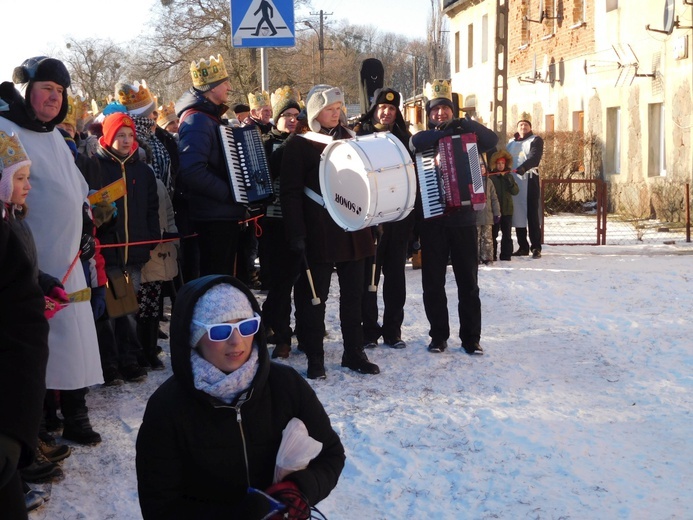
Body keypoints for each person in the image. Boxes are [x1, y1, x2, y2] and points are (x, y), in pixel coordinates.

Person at [136, 275, 345, 519]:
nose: (237, 341)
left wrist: (299, 488)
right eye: (221, 330)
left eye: (246, 326)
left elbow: (331, 454)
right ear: (193, 336)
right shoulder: (167, 408)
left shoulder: (287, 386)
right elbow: (160, 507)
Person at [0, 56, 104, 445]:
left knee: (73, 339)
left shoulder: (54, 135)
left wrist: (87, 226)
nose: (54, 97)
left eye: (60, 91)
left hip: (68, 259)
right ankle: (39, 423)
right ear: (27, 90)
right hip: (30, 258)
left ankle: (75, 414)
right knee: (35, 344)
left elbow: (76, 192)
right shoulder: (6, 127)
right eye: (47, 88)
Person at [281, 84, 379, 379]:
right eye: (329, 110)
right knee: (314, 296)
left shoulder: (351, 139)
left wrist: (374, 220)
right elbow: (290, 192)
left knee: (354, 296)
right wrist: (295, 232)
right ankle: (315, 356)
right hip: (318, 230)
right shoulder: (299, 144)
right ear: (315, 113)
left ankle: (353, 352)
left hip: (353, 230)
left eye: (338, 109)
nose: (335, 115)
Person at [411, 80, 499, 355]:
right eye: (435, 110)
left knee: (468, 283)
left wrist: (464, 123)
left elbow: (491, 140)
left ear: (453, 110)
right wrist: (442, 134)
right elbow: (416, 142)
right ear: (429, 113)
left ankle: (471, 338)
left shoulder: (466, 135)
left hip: (462, 219)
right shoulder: (424, 138)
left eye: (445, 109)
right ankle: (438, 336)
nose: (440, 114)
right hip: (433, 219)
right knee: (433, 283)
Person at [0, 128, 50, 519]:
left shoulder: (10, 226)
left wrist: (15, 430)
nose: (27, 187)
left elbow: (22, 334)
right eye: (19, 178)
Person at [93, 112, 159, 385]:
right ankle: (109, 363)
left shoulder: (142, 170)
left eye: (130, 135)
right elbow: (93, 210)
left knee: (129, 310)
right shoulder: (97, 167)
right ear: (108, 137)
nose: (125, 140)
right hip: (108, 253)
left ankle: (129, 360)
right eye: (120, 135)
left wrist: (151, 237)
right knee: (110, 312)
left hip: (135, 253)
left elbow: (151, 208)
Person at [175, 55, 246, 277]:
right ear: (212, 88)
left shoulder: (207, 117)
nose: (229, 87)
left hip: (219, 212)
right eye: (224, 83)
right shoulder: (197, 120)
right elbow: (192, 170)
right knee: (215, 278)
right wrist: (231, 192)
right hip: (213, 215)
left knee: (221, 277)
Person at [354, 87, 414, 349]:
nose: (387, 112)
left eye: (392, 108)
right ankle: (369, 329)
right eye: (382, 107)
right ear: (374, 108)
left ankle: (393, 330)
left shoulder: (405, 138)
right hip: (369, 220)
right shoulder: (360, 134)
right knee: (369, 279)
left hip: (398, 220)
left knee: (395, 278)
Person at [260, 86, 302, 359]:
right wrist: (289, 143)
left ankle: (295, 330)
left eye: (296, 114)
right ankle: (281, 336)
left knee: (298, 281)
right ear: (276, 118)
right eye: (285, 114)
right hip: (272, 225)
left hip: (301, 224)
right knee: (279, 284)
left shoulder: (307, 141)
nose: (291, 119)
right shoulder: (265, 143)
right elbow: (267, 172)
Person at [508, 117, 544, 258]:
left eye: (526, 125)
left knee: (532, 214)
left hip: (529, 179)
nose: (523, 127)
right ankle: (523, 246)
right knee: (518, 214)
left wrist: (524, 167)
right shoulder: (511, 143)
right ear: (517, 128)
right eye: (521, 125)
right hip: (514, 182)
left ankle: (536, 247)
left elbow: (535, 157)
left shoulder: (535, 140)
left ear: (530, 128)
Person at [489, 149, 519, 261]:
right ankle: (492, 255)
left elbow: (515, 191)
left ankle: (506, 255)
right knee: (493, 234)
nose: (501, 166)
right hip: (495, 211)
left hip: (507, 210)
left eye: (502, 163)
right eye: (499, 163)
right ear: (495, 164)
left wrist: (510, 182)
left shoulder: (509, 176)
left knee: (507, 234)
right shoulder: (491, 178)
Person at [476, 156, 500, 265]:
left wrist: (497, 212)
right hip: (476, 217)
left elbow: (494, 198)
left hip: (488, 215)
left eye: (483, 167)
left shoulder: (489, 182)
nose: (481, 169)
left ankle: (487, 257)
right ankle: (475, 257)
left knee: (487, 239)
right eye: (479, 167)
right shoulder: (473, 182)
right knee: (476, 238)